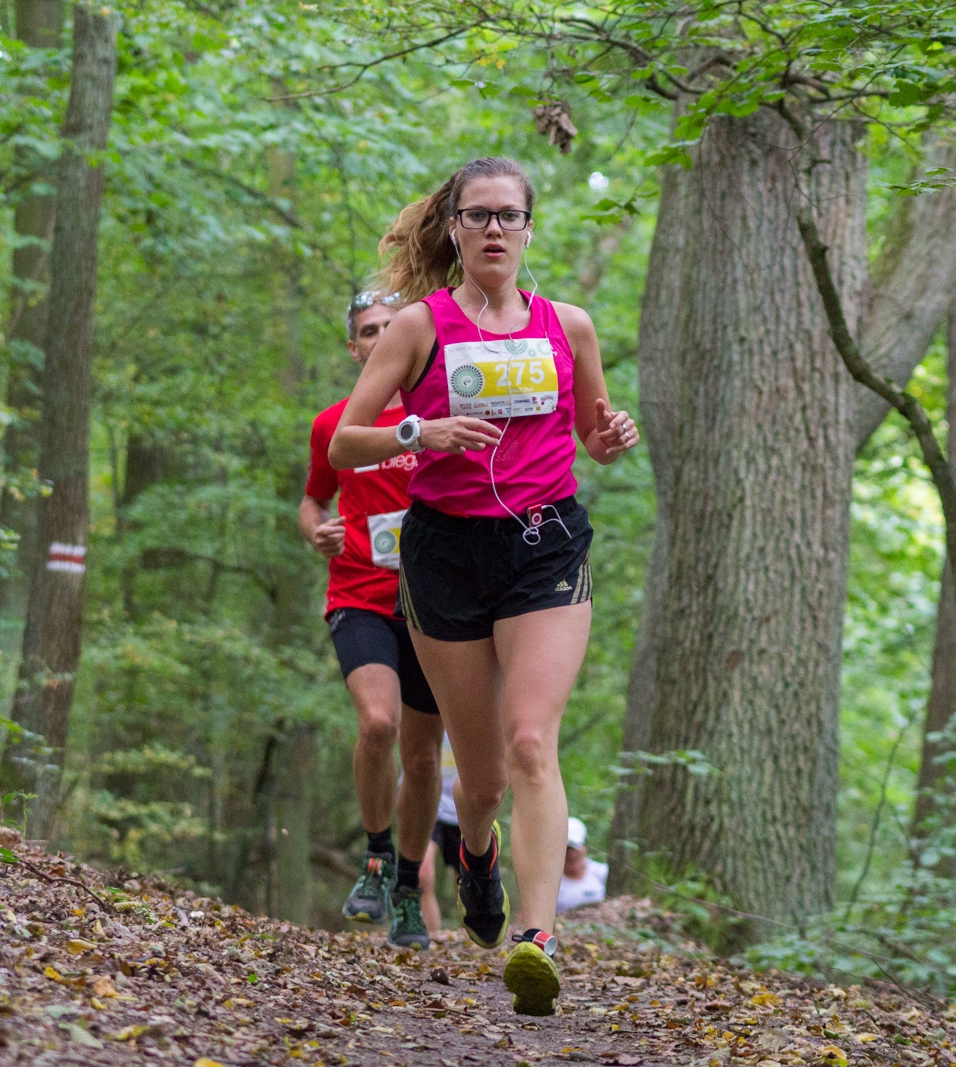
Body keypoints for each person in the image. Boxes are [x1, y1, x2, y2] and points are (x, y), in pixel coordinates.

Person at [328, 156, 640, 1016]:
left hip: (544, 548)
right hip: (446, 556)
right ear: (456, 228)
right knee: (485, 775)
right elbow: (343, 446)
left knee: (533, 742)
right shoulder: (418, 329)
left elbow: (596, 434)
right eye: (479, 215)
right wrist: (420, 431)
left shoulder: (567, 326)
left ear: (530, 229)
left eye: (510, 215)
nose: (495, 228)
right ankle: (477, 853)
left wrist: (615, 434)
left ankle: (537, 941)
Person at [301, 291, 443, 951]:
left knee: (421, 753)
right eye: (367, 331)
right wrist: (317, 532)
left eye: (391, 327)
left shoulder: (438, 413)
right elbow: (312, 499)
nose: (380, 336)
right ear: (354, 347)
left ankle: (412, 890)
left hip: (436, 603)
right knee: (378, 722)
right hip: (359, 592)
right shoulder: (334, 423)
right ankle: (378, 859)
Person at [418, 738, 461, 933]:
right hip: (427, 803)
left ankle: (471, 942)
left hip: (465, 806)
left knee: (468, 883)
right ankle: (432, 942)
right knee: (422, 874)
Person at [556, 817, 608, 913]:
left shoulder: (602, 873)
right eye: (566, 848)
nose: (570, 853)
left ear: (585, 847)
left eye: (574, 847)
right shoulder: (551, 881)